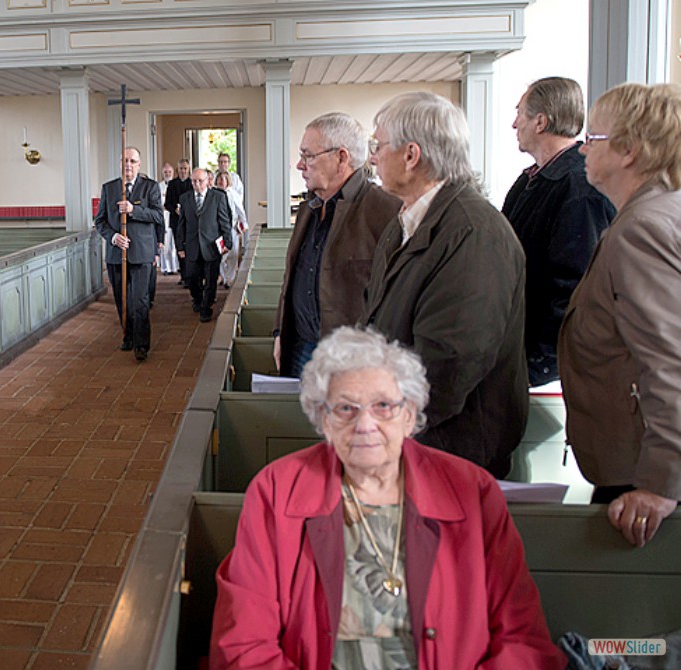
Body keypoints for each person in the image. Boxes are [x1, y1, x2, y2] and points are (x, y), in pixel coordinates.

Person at [210, 326, 565, 669]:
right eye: (345, 408)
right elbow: (242, 645)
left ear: (410, 415)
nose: (365, 425)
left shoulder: (472, 491)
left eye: (383, 406)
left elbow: (522, 642)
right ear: (323, 419)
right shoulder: (276, 491)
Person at [362, 92, 527, 478]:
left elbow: (447, 366)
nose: (372, 157)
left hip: (449, 449)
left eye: (377, 145)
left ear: (411, 155)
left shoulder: (473, 232)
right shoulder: (406, 220)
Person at [559, 82, 681, 548]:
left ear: (629, 150)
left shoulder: (642, 228)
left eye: (594, 138)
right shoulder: (653, 214)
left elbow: (669, 360)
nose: (583, 149)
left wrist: (659, 484)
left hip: (644, 480)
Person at [502, 77, 615, 386]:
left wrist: (539, 365)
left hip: (548, 371)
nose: (514, 124)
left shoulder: (580, 188)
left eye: (520, 113)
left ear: (540, 121)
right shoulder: (529, 182)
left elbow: (574, 286)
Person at [275, 112, 401, 378]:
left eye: (308, 155)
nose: (300, 165)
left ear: (341, 157)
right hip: (300, 347)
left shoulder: (386, 211)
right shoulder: (310, 205)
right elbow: (293, 276)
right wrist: (280, 332)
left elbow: (395, 300)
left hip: (350, 362)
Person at [94, 146, 163, 361]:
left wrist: (134, 210)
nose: (128, 165)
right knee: (121, 299)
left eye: (133, 161)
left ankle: (141, 345)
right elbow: (100, 221)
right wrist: (113, 237)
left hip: (141, 253)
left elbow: (158, 216)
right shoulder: (109, 188)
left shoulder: (150, 187)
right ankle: (128, 335)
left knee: (140, 301)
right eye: (125, 160)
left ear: (139, 164)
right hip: (117, 254)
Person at [176, 168, 231, 323]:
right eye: (193, 181)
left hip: (211, 245)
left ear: (208, 180)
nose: (197, 184)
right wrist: (180, 246)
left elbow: (225, 221)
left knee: (211, 279)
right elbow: (181, 225)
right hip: (192, 246)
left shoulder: (218, 196)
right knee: (191, 278)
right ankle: (198, 299)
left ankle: (206, 308)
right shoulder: (185, 198)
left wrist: (228, 242)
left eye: (200, 180)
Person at [215, 171, 246, 289]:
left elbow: (240, 211)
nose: (221, 181)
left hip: (231, 228)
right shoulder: (213, 194)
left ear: (228, 181)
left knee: (232, 254)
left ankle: (230, 278)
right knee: (221, 255)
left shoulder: (233, 194)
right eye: (219, 179)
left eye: (223, 179)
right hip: (218, 230)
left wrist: (243, 225)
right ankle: (222, 276)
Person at [165, 158, 193, 285]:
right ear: (178, 169)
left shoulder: (192, 183)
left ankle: (190, 276)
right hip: (176, 221)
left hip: (190, 222)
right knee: (179, 248)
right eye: (181, 168)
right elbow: (167, 204)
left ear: (188, 169)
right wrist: (175, 209)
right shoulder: (172, 184)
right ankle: (183, 275)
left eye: (185, 168)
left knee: (190, 249)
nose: (183, 171)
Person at [158, 162, 179, 276]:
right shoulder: (158, 186)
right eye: (165, 172)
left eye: (169, 172)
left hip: (172, 215)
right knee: (165, 243)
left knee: (174, 244)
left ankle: (174, 266)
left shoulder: (175, 185)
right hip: (163, 216)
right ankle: (165, 267)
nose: (167, 174)